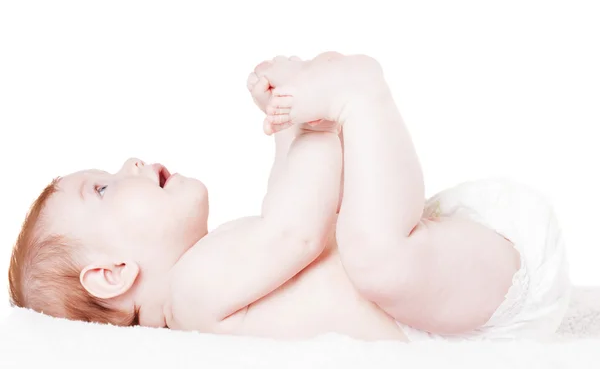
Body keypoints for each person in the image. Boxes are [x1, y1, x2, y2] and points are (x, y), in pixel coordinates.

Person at [8, 52, 570, 341]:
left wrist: (293, 120)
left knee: (375, 257)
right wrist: (309, 122)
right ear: (112, 273)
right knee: (371, 255)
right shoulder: (191, 294)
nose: (128, 161)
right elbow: (298, 228)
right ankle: (351, 96)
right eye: (101, 188)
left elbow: (298, 214)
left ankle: (356, 96)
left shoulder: (201, 284)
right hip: (464, 299)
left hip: (458, 280)